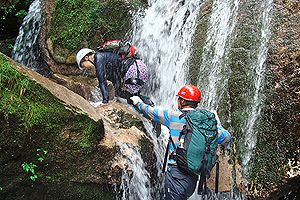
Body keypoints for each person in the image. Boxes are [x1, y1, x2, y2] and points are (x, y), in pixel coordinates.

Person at [130, 85, 232, 200]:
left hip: (176, 174)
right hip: (193, 177)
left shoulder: (173, 116)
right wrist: (216, 124)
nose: (177, 101)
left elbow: (150, 112)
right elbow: (227, 138)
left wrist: (138, 103)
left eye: (179, 99)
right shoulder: (206, 125)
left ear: (182, 101)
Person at [76, 42, 150, 104]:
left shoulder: (98, 57)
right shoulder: (105, 55)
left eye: (83, 65)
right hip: (140, 67)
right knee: (123, 94)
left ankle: (147, 105)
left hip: (134, 71)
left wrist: (105, 101)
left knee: (131, 100)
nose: (86, 67)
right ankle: (147, 102)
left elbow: (102, 81)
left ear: (86, 58)